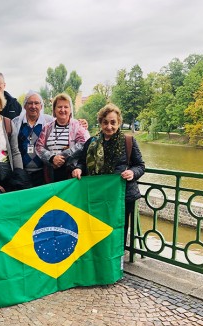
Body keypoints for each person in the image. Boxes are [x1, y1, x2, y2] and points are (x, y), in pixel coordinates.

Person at [72, 103, 145, 242]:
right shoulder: (92, 142)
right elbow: (82, 162)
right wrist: (78, 168)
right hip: (98, 196)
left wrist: (132, 173)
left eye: (113, 122)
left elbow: (140, 165)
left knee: (119, 231)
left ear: (119, 123)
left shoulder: (128, 141)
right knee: (99, 231)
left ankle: (117, 262)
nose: (109, 126)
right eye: (105, 122)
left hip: (122, 196)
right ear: (100, 123)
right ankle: (101, 260)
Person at [35, 93, 89, 183]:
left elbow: (83, 144)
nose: (62, 110)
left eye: (66, 107)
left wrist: (63, 157)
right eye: (59, 107)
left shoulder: (77, 126)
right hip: (51, 173)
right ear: (54, 110)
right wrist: (52, 158)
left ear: (70, 109)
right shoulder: (47, 127)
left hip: (71, 173)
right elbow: (39, 147)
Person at [12, 91, 53, 187]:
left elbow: (65, 124)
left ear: (41, 106)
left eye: (36, 103)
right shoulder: (16, 122)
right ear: (25, 106)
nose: (33, 106)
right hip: (22, 173)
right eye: (30, 103)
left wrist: (81, 123)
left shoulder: (49, 121)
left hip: (43, 172)